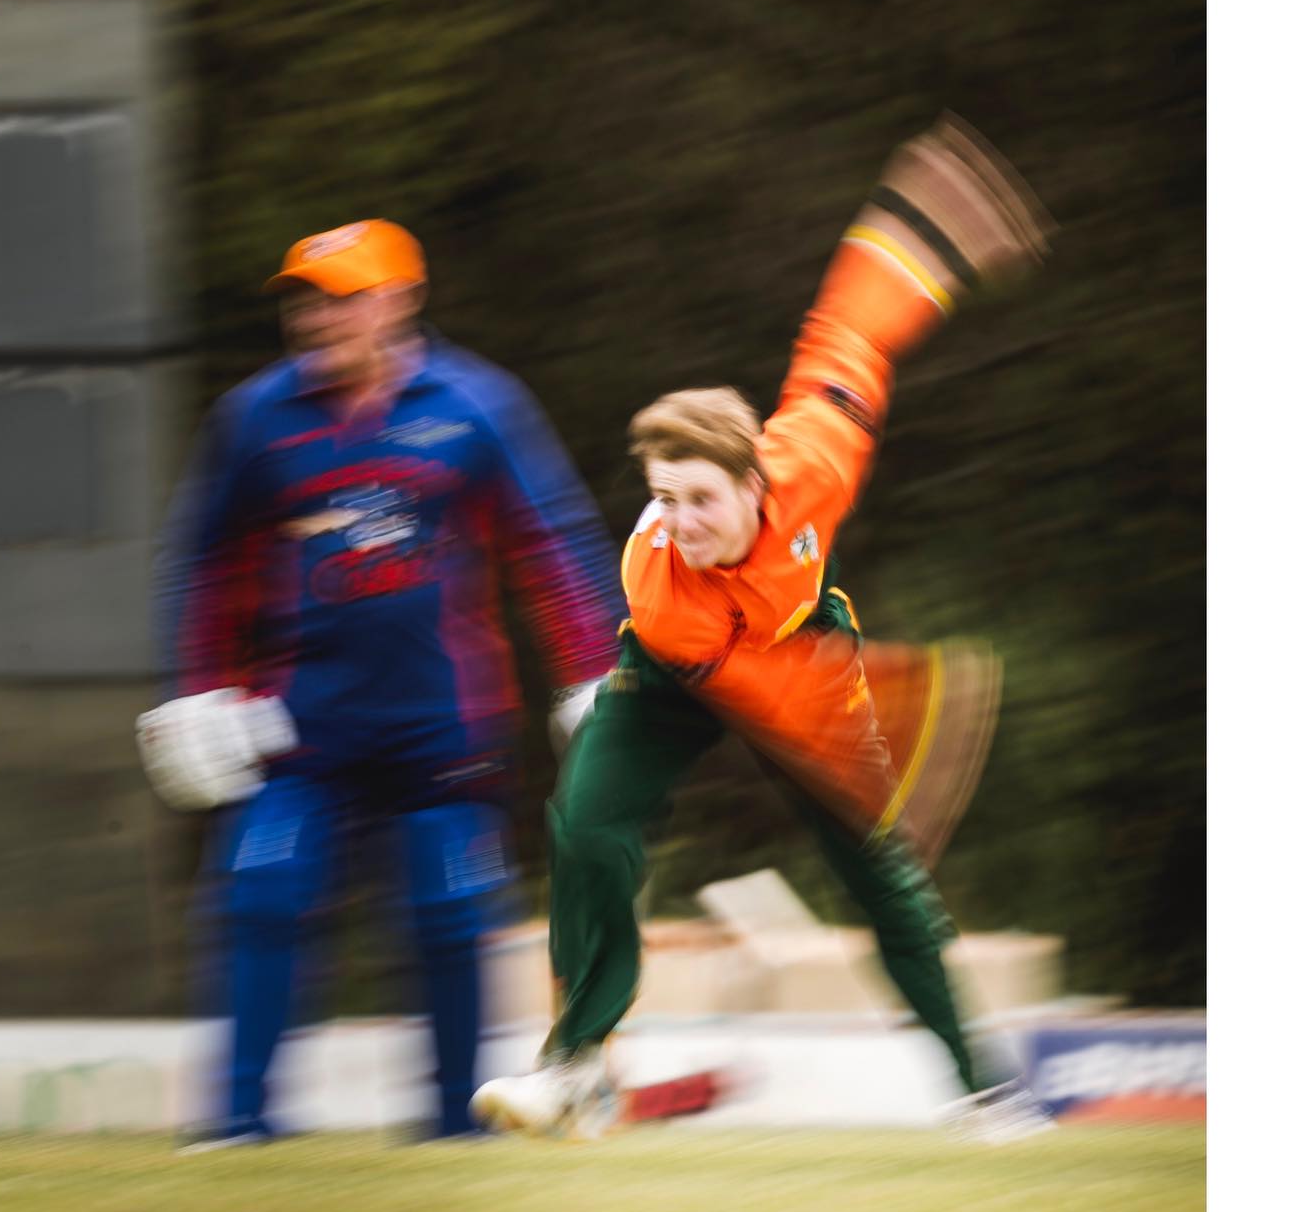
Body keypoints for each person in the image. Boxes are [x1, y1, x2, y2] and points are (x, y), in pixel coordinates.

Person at [471, 116, 1057, 1144]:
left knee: (880, 873)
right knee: (586, 823)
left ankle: (987, 1090)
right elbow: (754, 694)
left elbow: (849, 332)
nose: (681, 522)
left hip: (800, 643)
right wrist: (918, 716)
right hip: (678, 666)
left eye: (700, 498)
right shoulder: (662, 584)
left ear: (755, 480)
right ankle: (577, 1068)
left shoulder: (813, 455)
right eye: (663, 498)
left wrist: (919, 235)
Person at [137, 219, 624, 1143]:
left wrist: (593, 677)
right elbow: (203, 560)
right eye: (305, 300)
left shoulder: (477, 404)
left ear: (401, 299)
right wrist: (197, 688)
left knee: (449, 912)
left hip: (443, 727)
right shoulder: (254, 418)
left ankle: (451, 1129)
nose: (318, 318)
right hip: (298, 726)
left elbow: (550, 541)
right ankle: (237, 1127)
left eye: (343, 297)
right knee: (263, 890)